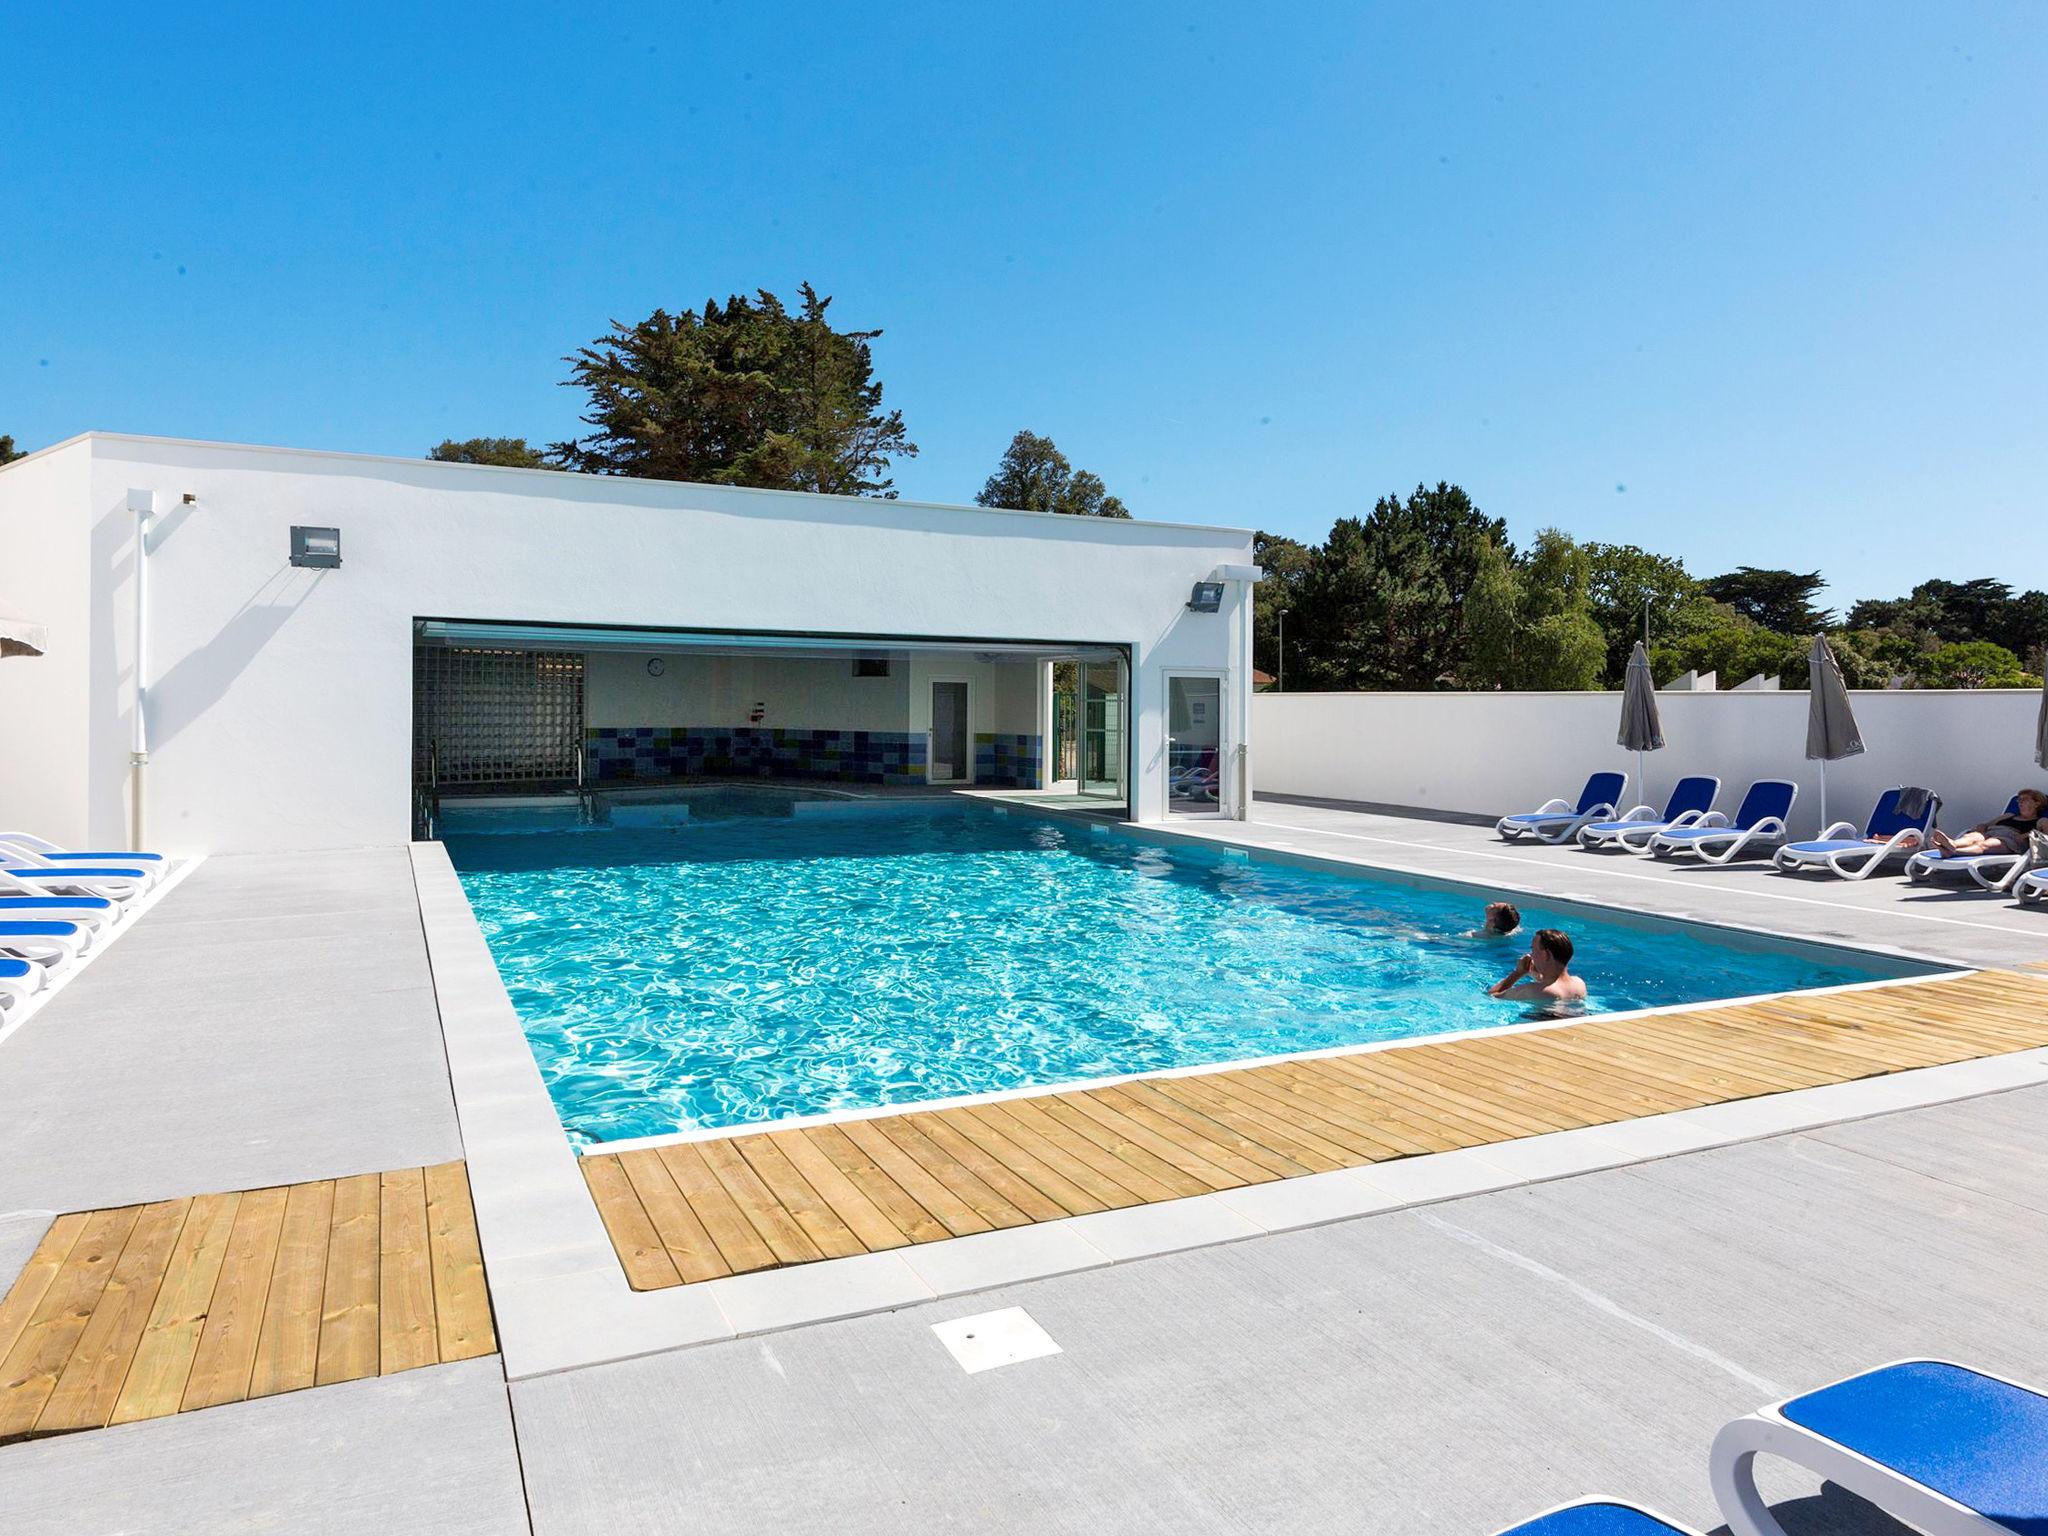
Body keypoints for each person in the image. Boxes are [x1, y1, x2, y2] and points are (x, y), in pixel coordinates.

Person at [1928, 788, 2048, 857]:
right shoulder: (2009, 815)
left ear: (2037, 803)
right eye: (2019, 800)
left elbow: (2045, 837)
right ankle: (1952, 844)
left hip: (2010, 839)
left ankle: (1953, 852)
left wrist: (2026, 835)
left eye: (2025, 800)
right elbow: (1986, 825)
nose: (2020, 803)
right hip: (1992, 831)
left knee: (1985, 845)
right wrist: (1982, 827)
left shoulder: (2041, 821)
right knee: (1972, 837)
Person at [1488, 927, 1587, 1005]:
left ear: (1546, 954)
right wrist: (1541, 978)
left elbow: (1492, 996)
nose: (1531, 955)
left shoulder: (1534, 991)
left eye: (1533, 950)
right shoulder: (1579, 984)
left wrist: (1517, 973)